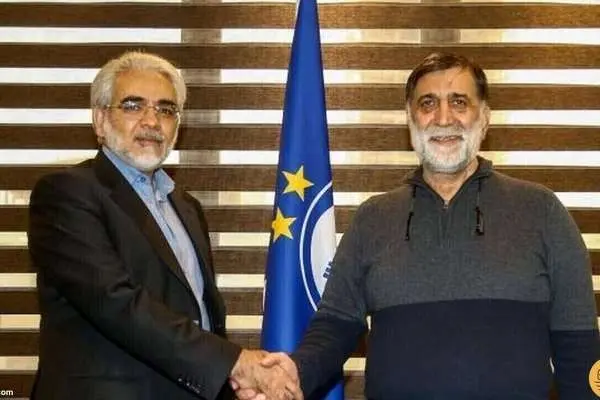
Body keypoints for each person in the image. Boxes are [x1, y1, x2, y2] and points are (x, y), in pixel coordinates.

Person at [248, 52, 600, 399]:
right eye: (428, 103)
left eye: (459, 102)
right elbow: (336, 323)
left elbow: (579, 346)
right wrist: (295, 373)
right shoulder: (372, 218)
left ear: (485, 118)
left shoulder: (542, 211)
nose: (443, 118)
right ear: (410, 119)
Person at [27, 51, 300, 400]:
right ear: (100, 120)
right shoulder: (66, 194)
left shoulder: (187, 207)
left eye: (166, 110)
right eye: (133, 105)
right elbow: (117, 303)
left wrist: (231, 386)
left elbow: (200, 319)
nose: (152, 121)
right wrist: (234, 364)